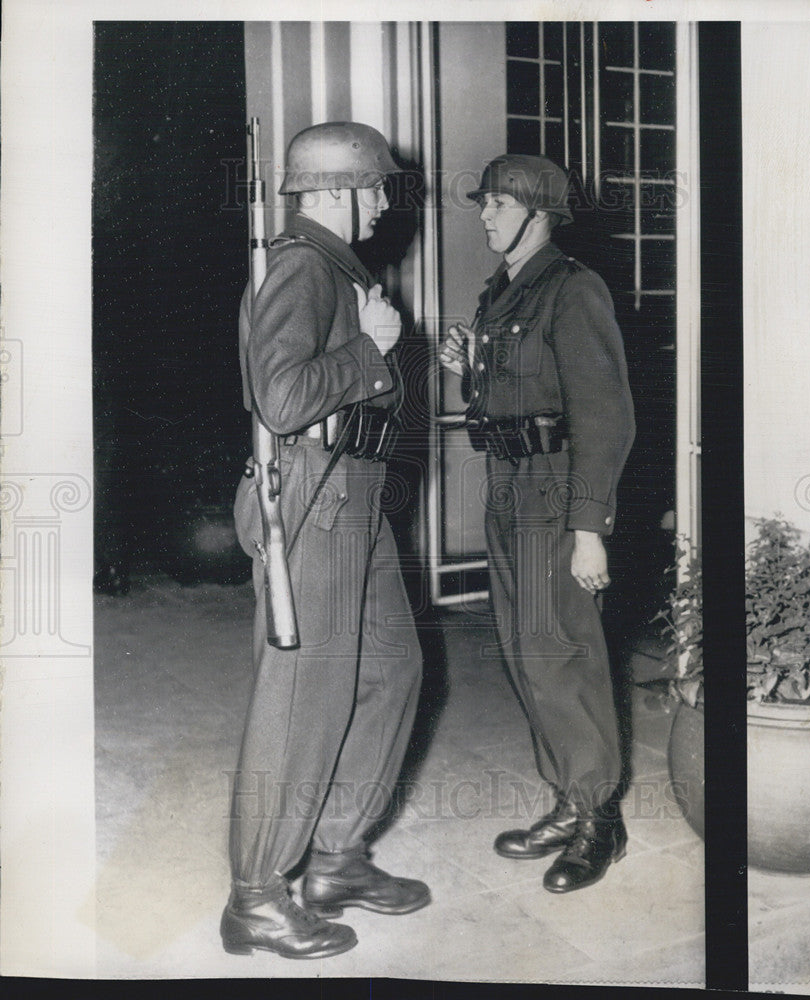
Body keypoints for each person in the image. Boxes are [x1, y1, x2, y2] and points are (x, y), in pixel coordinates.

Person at [222, 122, 429, 960]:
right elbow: (280, 397)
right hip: (319, 503)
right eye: (375, 186)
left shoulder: (335, 268)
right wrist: (370, 352)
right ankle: (257, 895)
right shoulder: (303, 267)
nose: (383, 201)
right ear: (336, 191)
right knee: (303, 701)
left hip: (358, 496)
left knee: (392, 672)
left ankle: (336, 859)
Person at [439, 154, 635, 894]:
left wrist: (589, 524)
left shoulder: (573, 289)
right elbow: (519, 392)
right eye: (484, 203)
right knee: (525, 652)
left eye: (496, 203)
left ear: (538, 212)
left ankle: (599, 820)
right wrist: (469, 370)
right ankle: (568, 797)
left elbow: (603, 415)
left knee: (561, 653)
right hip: (508, 484)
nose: (484, 215)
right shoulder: (503, 291)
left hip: (555, 491)